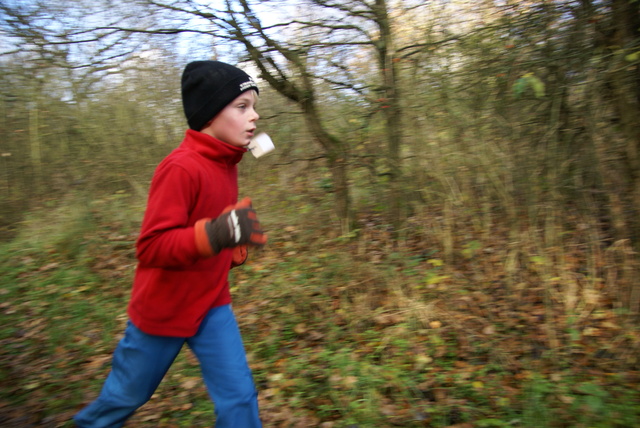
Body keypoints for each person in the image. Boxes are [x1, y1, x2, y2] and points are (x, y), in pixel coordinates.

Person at [74, 60, 267, 428]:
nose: (254, 117)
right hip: (163, 310)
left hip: (211, 303)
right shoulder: (180, 167)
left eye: (253, 106)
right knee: (125, 397)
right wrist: (218, 233)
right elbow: (151, 247)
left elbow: (205, 232)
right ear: (210, 114)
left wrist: (231, 248)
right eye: (242, 107)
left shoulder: (227, 163)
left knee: (240, 399)